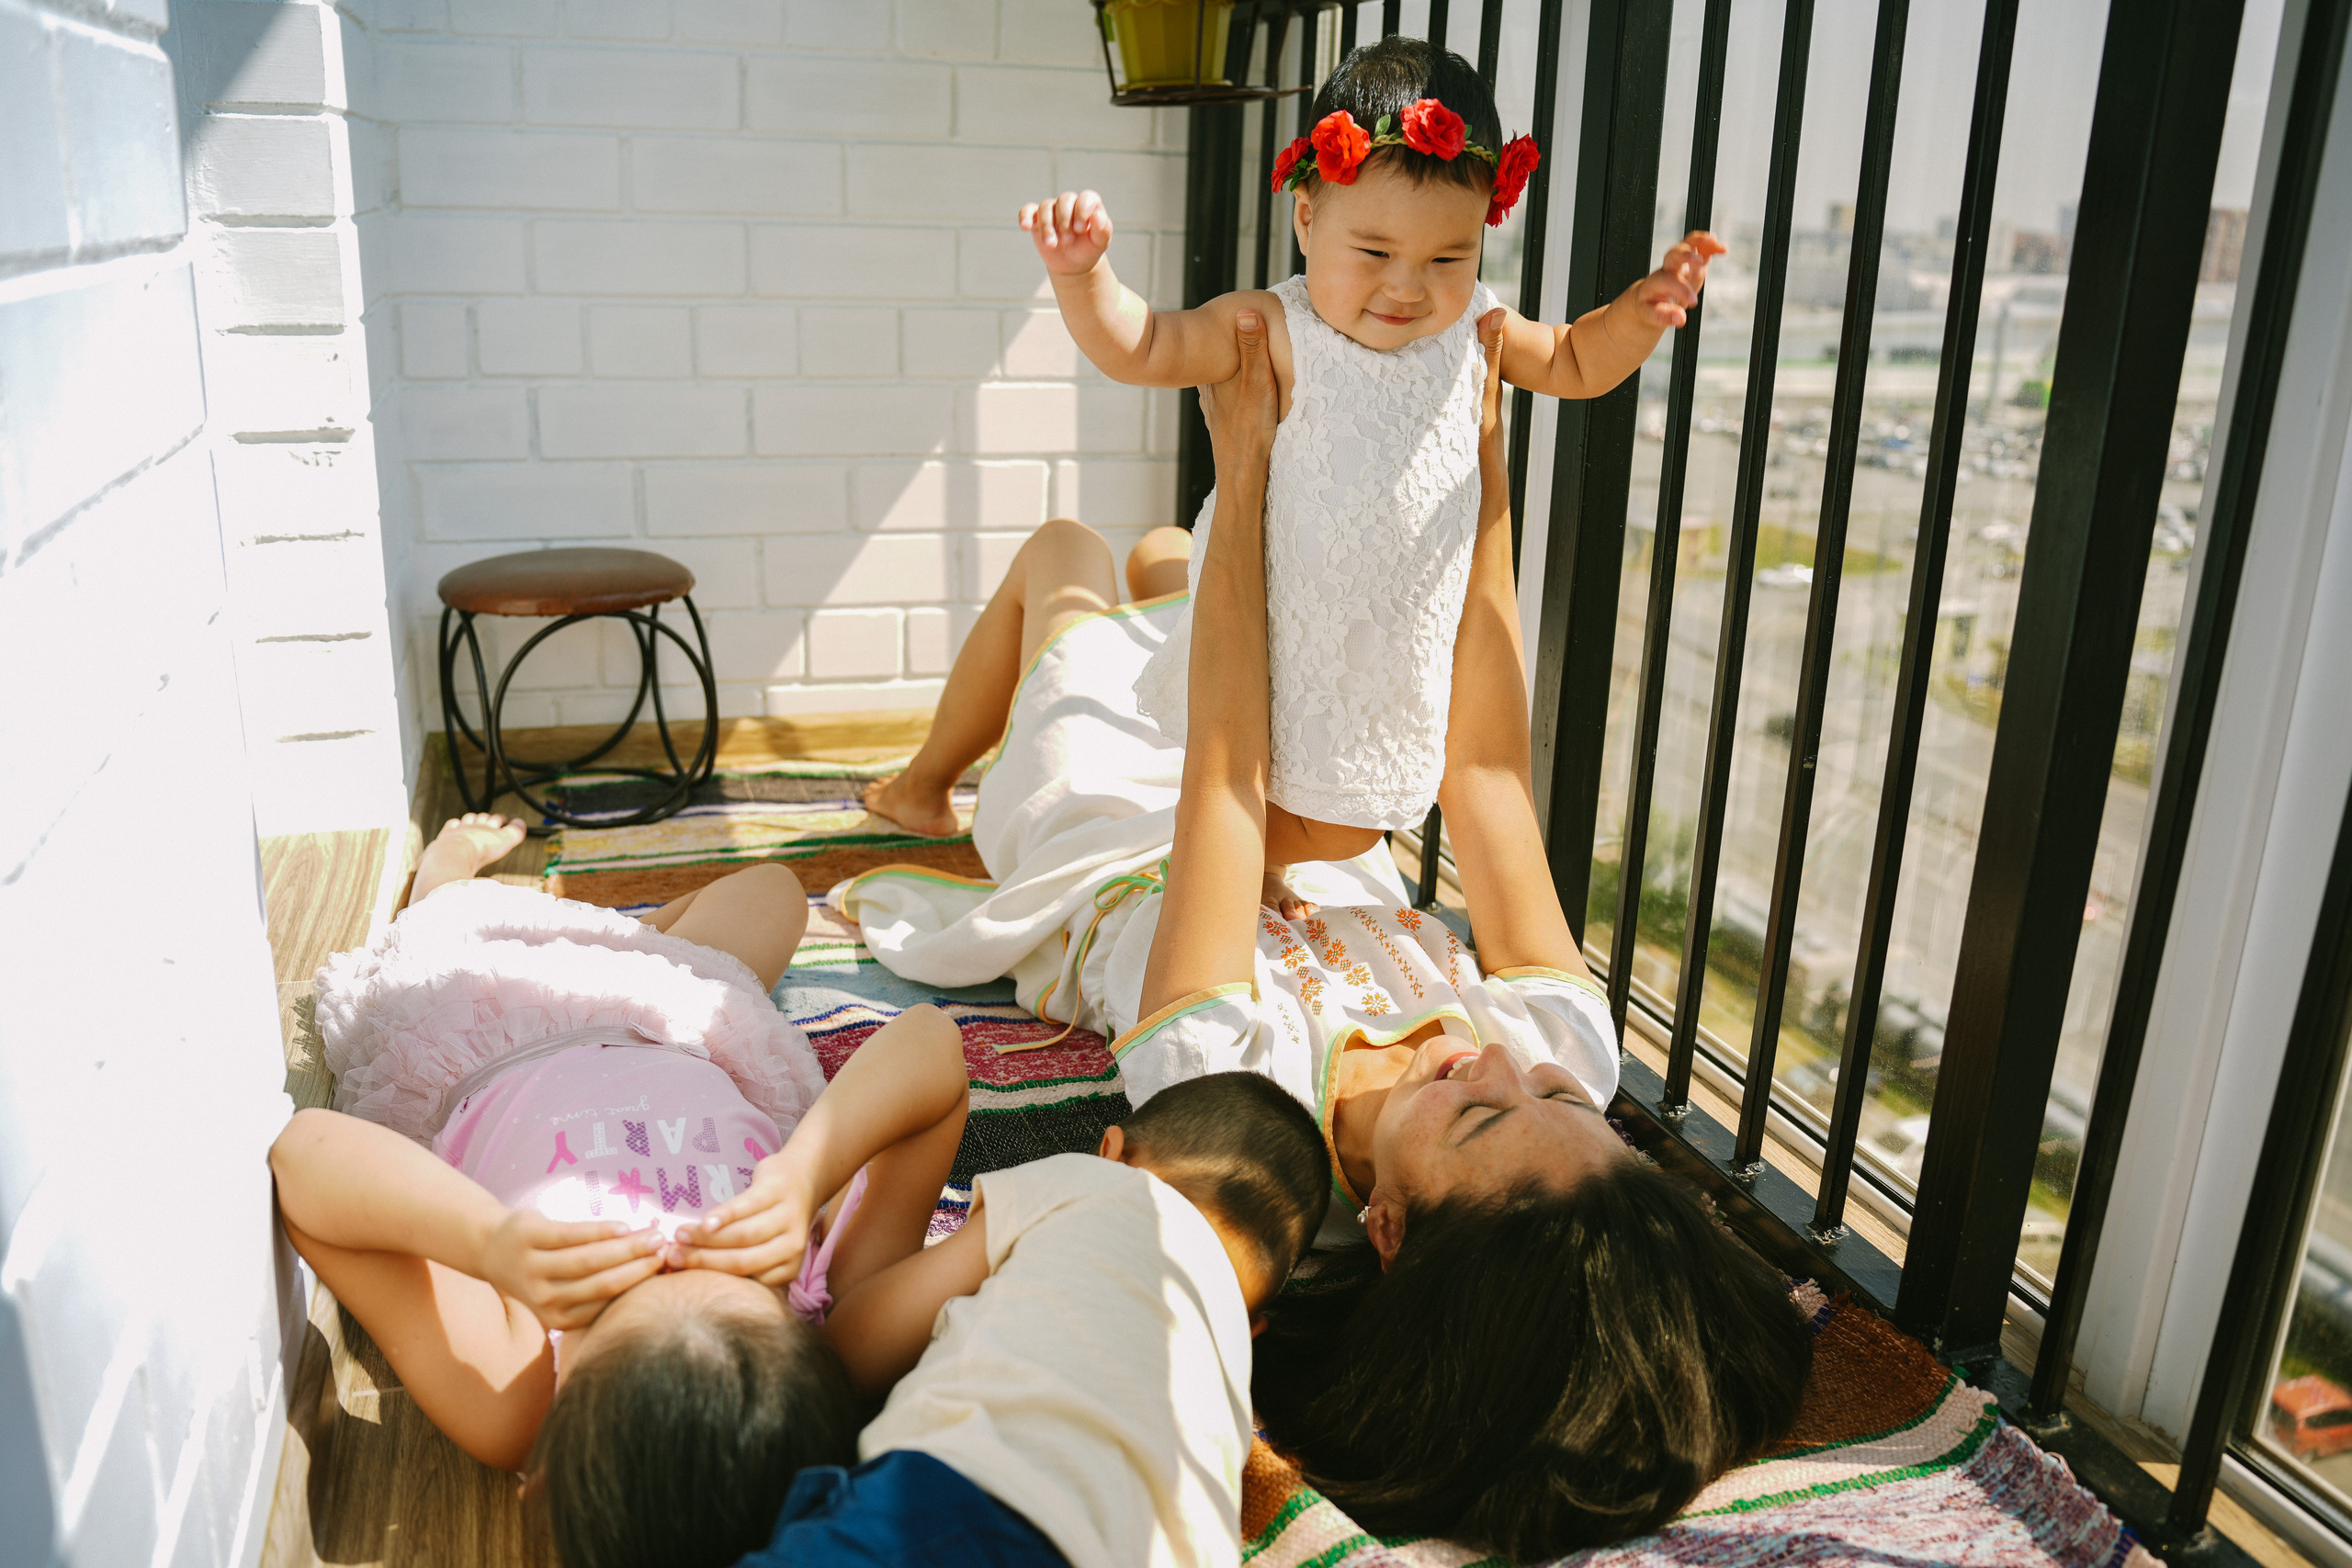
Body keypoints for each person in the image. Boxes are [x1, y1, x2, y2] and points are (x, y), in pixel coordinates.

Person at [848, 308, 1811, 1557]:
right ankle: (1114, 627)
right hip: (1267, 805)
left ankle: (924, 785)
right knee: (1163, 559)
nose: (1500, 1057)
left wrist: (1246, 461)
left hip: (1123, 827)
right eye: (1564, 1095)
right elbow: (1492, 774)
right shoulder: (1550, 1042)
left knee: (1068, 553)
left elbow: (1223, 779)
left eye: (1475, 1110)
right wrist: (1481, 462)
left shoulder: (1234, 1100)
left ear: (1394, 1230)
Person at [1016, 36, 1724, 912]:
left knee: (1359, 814)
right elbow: (1148, 345)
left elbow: (1578, 360)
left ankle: (1248, 841)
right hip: (1275, 618)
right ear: (1309, 218)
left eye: (1447, 259)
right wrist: (1086, 278)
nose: (1408, 288)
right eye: (1376, 251)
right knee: (1288, 788)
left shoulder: (1476, 332)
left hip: (1388, 644)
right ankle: (1230, 858)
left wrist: (1640, 312)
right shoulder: (1278, 324)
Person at [273, 814, 970, 1568]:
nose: (665, 1250)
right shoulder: (841, 1323)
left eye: (617, 1293)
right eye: (723, 1270)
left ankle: (454, 873)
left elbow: (306, 1158)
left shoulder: (513, 1396)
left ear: (543, 1475)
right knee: (776, 893)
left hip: (482, 1030)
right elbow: (932, 1046)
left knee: (443, 921)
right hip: (680, 1023)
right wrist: (807, 1173)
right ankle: (599, 930)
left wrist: (488, 1241)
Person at [708, 1071, 1331, 1568]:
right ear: (1254, 1325)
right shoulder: (1230, 1347)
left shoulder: (1093, 1183)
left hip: (968, 1505)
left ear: (1110, 1150)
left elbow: (859, 1343)